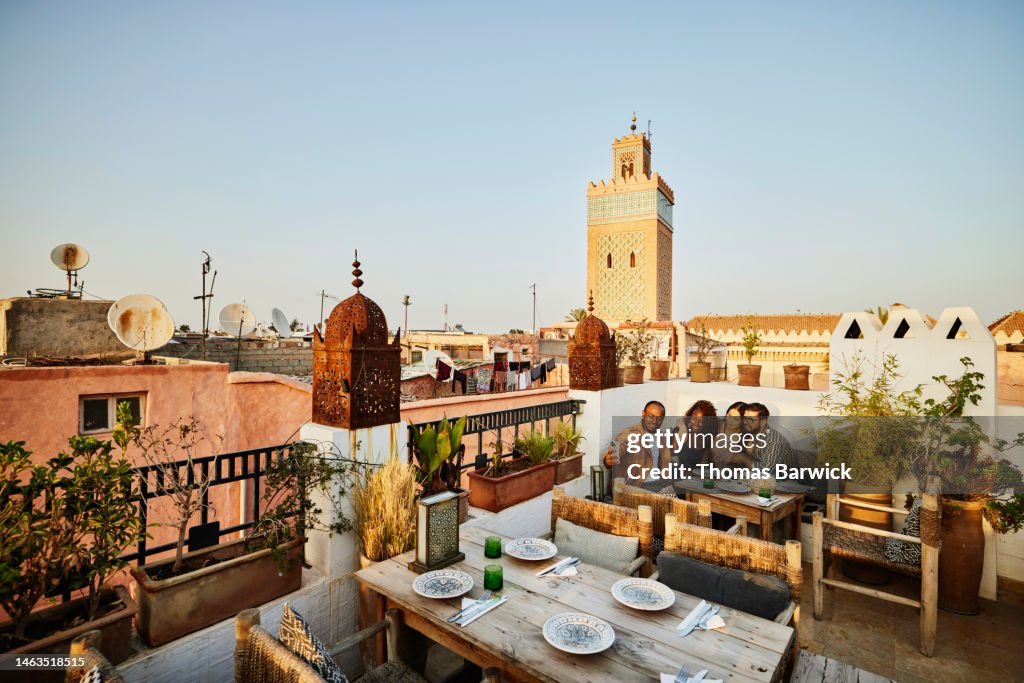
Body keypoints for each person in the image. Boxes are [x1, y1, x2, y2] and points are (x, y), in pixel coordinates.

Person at [603, 400, 672, 491]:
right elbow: (618, 444)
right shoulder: (631, 433)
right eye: (651, 416)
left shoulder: (661, 436)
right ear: (643, 414)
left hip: (659, 483)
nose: (655, 421)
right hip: (639, 486)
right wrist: (608, 459)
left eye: (659, 418)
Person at [741, 402, 794, 470]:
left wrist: (744, 459)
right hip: (757, 477)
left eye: (751, 420)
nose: (745, 422)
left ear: (763, 422)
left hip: (784, 479)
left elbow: (767, 469)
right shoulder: (750, 434)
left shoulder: (774, 440)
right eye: (745, 418)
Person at [674, 400, 718, 471]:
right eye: (694, 419)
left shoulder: (706, 438)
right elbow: (672, 458)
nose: (696, 424)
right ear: (690, 418)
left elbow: (704, 463)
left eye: (701, 421)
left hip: (695, 479)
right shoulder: (680, 431)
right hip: (679, 477)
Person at [713, 401, 747, 466]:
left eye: (736, 419)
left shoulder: (746, 437)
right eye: (729, 415)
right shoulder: (717, 425)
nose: (730, 420)